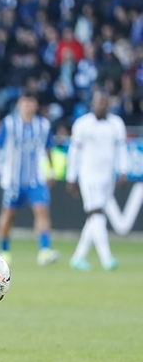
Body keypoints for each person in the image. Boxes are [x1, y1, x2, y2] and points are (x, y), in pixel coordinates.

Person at [0, 94, 60, 266]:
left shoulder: (43, 125)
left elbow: (48, 148)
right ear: (19, 105)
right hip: (13, 179)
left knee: (42, 211)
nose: (28, 107)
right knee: (8, 215)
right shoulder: (9, 123)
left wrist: (50, 170)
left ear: (35, 105)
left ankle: (44, 250)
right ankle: (4, 251)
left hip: (36, 178)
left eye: (31, 103)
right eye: (25, 103)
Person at [67, 90, 128, 271]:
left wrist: (122, 170)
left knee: (95, 217)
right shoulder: (82, 124)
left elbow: (121, 149)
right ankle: (106, 258)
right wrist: (71, 177)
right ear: (92, 103)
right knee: (97, 213)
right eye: (98, 101)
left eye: (105, 102)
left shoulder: (116, 124)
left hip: (107, 177)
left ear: (108, 103)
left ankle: (78, 257)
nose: (102, 105)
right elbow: (74, 152)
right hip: (89, 176)